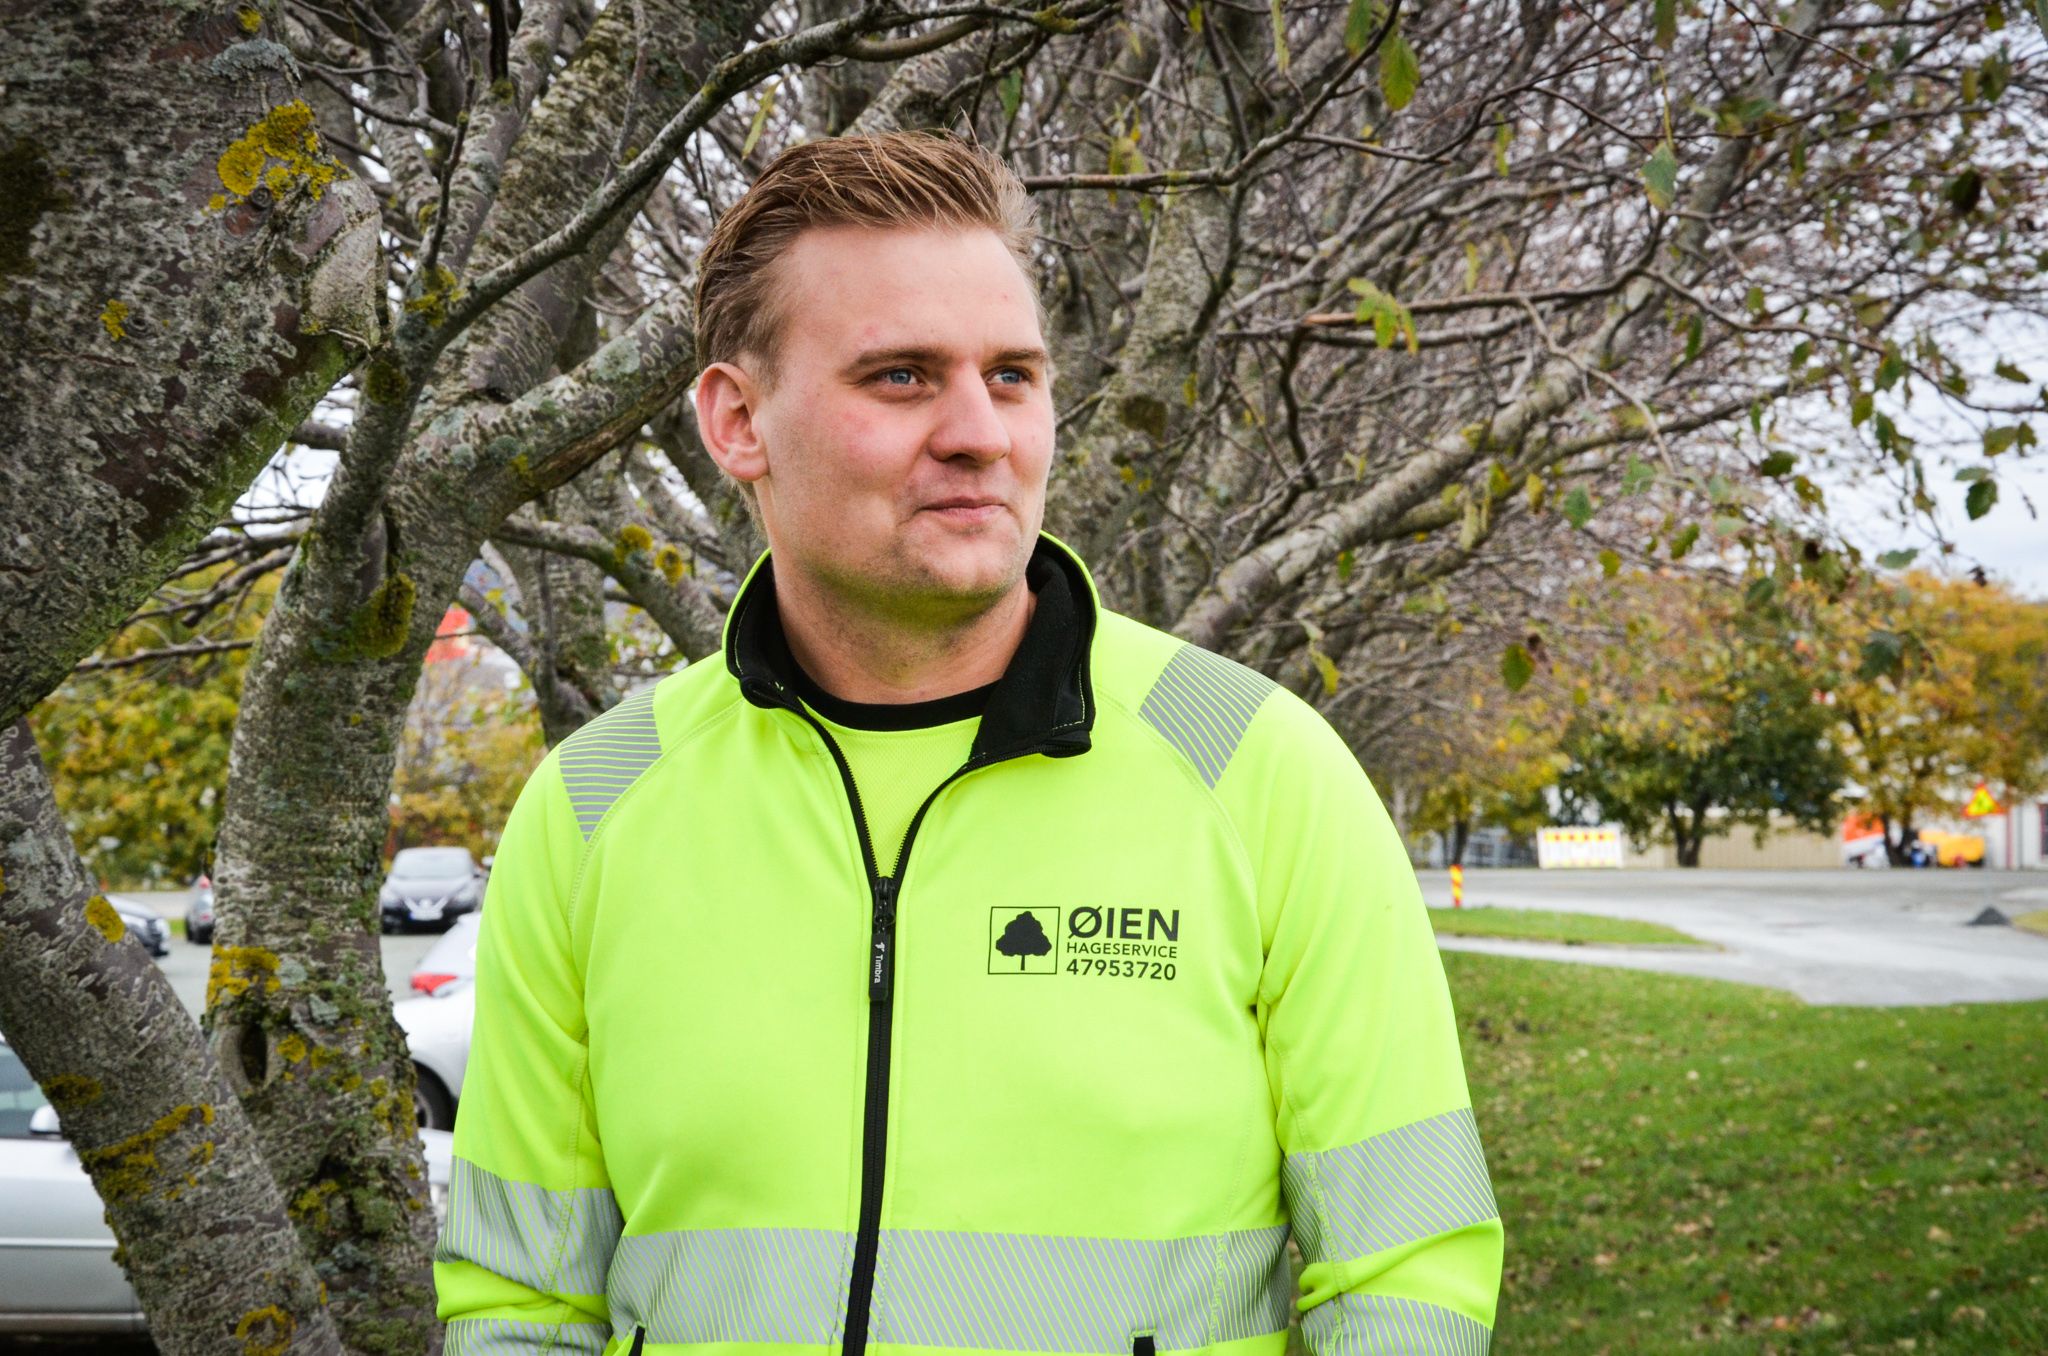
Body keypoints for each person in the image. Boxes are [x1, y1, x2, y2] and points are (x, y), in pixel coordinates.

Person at [435, 130, 1503, 1356]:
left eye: (1010, 375)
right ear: (736, 421)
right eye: (900, 376)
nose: (978, 433)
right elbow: (520, 1305)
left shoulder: (1259, 771)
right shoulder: (593, 805)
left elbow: (1407, 1275)